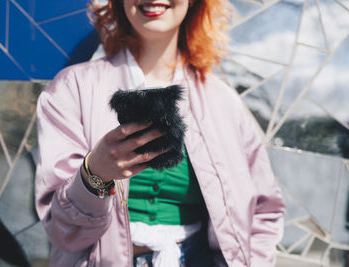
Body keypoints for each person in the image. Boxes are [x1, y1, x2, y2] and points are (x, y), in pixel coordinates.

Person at [35, 0, 286, 266]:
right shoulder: (72, 89)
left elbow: (265, 209)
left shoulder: (223, 101)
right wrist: (94, 174)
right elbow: (62, 231)